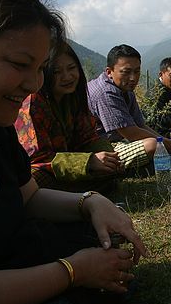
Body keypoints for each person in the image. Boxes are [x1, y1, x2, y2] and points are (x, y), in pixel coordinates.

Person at [0, 0, 156, 304]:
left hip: (13, 258)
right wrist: (73, 271)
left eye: (39, 68)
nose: (34, 83)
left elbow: (29, 197)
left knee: (102, 243)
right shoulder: (19, 109)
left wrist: (90, 202)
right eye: (20, 64)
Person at [15, 41, 124, 193]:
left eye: (71, 68)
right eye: (56, 72)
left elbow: (89, 137)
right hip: (42, 169)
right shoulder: (34, 103)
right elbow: (39, 159)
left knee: (108, 169)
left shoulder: (74, 97)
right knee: (36, 180)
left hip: (70, 165)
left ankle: (70, 193)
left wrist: (109, 158)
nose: (67, 77)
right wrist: (87, 162)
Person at [87, 45, 171, 171]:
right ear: (109, 72)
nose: (133, 78)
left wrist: (166, 143)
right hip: (100, 147)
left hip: (120, 139)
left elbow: (140, 125)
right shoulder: (105, 92)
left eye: (137, 71)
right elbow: (130, 132)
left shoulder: (125, 88)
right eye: (126, 72)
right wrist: (168, 145)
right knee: (152, 145)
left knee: (158, 145)